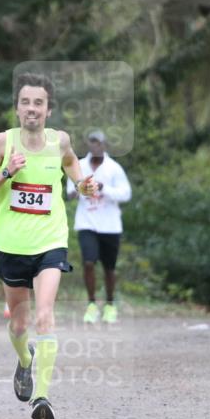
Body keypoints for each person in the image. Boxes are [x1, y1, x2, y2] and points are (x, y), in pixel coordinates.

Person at [0, 73, 98, 419]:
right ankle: (25, 361)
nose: (32, 108)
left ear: (48, 109)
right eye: (26, 102)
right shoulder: (3, 142)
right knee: (19, 324)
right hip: (11, 245)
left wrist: (82, 184)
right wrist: (6, 174)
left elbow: (73, 163)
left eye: (38, 103)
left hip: (50, 241)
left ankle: (41, 397)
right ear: (17, 108)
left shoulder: (60, 141)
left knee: (45, 315)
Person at [65, 130, 132, 324]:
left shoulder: (114, 168)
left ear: (104, 146)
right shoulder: (80, 166)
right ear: (88, 145)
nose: (95, 146)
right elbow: (70, 192)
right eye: (92, 143)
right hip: (87, 223)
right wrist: (80, 189)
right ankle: (91, 304)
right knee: (88, 262)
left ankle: (110, 304)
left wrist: (104, 188)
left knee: (109, 268)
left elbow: (125, 193)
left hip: (110, 225)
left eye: (99, 143)